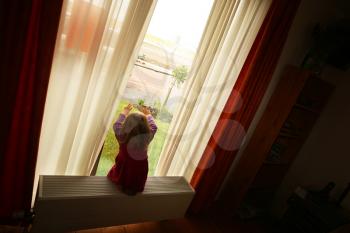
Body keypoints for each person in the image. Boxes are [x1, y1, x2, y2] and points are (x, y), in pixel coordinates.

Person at [107, 103, 157, 195]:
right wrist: (148, 114)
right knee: (135, 175)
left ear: (126, 125)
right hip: (139, 171)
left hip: (123, 168)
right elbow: (154, 127)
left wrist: (125, 111)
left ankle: (123, 184)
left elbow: (117, 125)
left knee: (122, 172)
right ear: (146, 128)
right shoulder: (147, 137)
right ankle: (132, 187)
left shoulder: (122, 136)